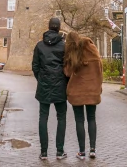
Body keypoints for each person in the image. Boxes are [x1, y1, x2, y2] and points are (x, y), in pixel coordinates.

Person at [32, 17, 68, 161]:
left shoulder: (39, 46)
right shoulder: (64, 46)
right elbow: (67, 66)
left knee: (43, 117)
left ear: (48, 27)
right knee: (61, 118)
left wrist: (41, 80)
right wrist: (65, 81)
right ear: (59, 28)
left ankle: (44, 152)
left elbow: (35, 66)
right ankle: (59, 152)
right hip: (60, 86)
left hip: (44, 86)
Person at [64, 31, 103, 160]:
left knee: (79, 120)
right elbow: (99, 67)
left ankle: (81, 151)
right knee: (92, 118)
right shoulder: (92, 48)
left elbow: (68, 73)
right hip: (92, 90)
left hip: (77, 92)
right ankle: (93, 149)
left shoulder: (72, 52)